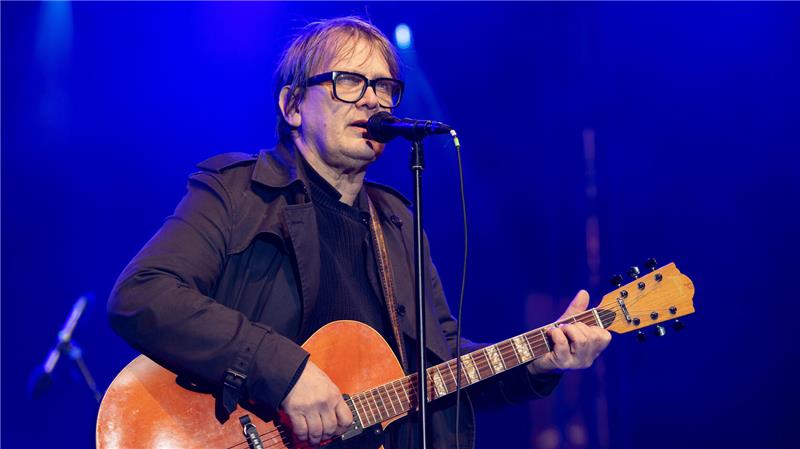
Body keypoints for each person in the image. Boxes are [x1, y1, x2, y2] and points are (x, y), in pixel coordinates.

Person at [108, 16, 611, 449]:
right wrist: (285, 374)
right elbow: (143, 295)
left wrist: (540, 362)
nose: (374, 101)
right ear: (293, 106)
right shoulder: (239, 192)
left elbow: (443, 368)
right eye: (349, 82)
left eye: (385, 86)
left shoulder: (397, 223)